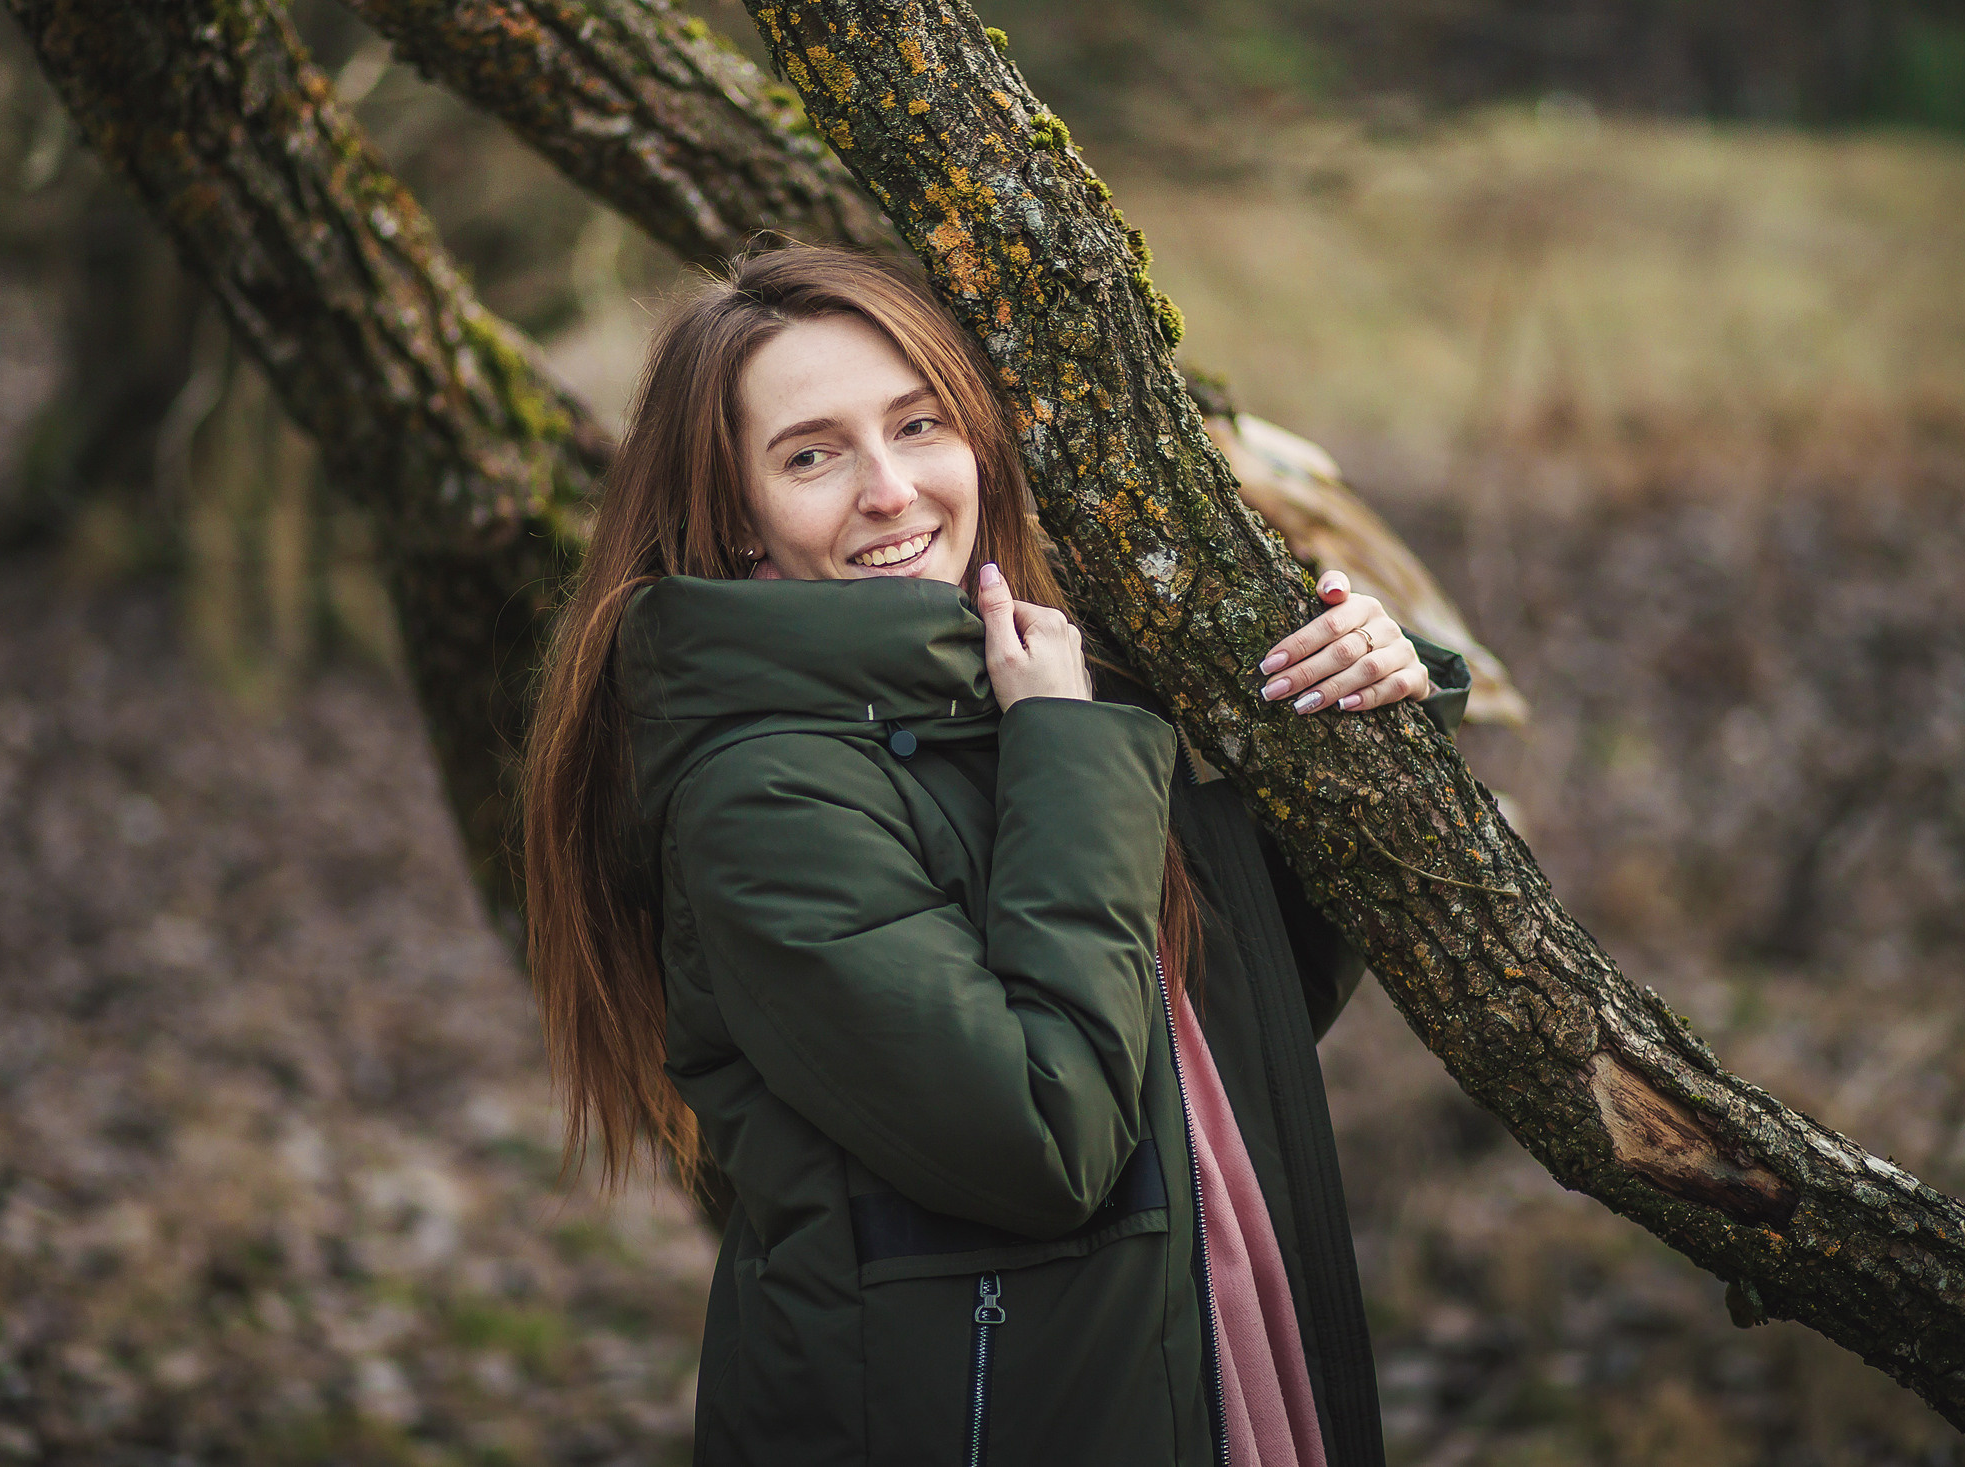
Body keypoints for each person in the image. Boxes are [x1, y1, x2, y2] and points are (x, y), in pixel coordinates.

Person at [522, 244, 1469, 1467]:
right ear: (732, 520)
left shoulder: (1006, 691)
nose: (890, 490)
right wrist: (1067, 752)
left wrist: (1378, 708)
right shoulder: (764, 799)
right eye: (810, 454)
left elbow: (1235, 1011)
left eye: (919, 425)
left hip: (1189, 1364)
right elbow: (1047, 1139)